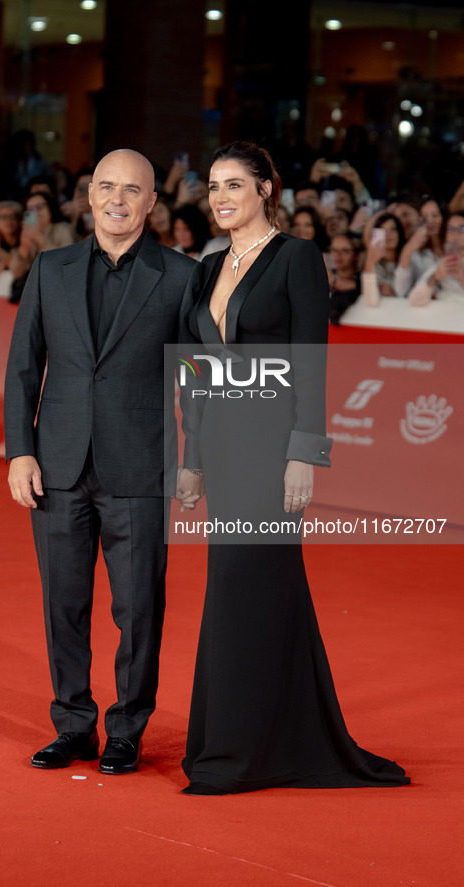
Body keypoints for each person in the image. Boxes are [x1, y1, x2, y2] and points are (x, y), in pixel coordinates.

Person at [180, 140, 409, 795]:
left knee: (247, 583)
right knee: (247, 588)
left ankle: (239, 748)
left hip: (270, 443)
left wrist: (302, 454)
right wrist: (190, 459)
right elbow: (196, 371)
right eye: (213, 186)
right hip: (220, 447)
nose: (220, 196)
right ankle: (265, 736)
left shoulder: (296, 258)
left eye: (233, 184)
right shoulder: (208, 265)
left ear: (265, 189)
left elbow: (311, 358)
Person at [4, 149, 202, 775]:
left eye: (133, 189)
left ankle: (127, 729)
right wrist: (20, 451)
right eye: (107, 187)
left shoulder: (179, 274)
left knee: (138, 606)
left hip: (140, 465)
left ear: (151, 201)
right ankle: (73, 725)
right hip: (57, 464)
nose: (118, 199)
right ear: (89, 196)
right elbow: (21, 370)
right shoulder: (50, 268)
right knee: (64, 602)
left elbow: (196, 376)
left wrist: (194, 457)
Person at [409, 212, 464, 305]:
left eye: (462, 228)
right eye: (450, 229)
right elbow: (415, 301)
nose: (456, 233)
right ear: (445, 235)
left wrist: (461, 278)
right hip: (442, 316)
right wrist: (435, 278)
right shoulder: (440, 265)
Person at [394, 198, 444, 298]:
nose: (430, 221)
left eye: (435, 215)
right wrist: (407, 251)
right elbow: (400, 291)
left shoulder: (455, 246)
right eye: (424, 217)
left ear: (444, 218)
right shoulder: (415, 252)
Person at [361, 212, 406, 305]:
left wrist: (394, 295)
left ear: (399, 233)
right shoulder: (372, 264)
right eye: (382, 230)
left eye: (393, 229)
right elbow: (370, 301)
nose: (388, 234)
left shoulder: (409, 260)